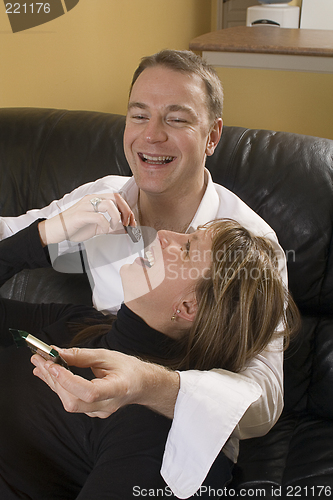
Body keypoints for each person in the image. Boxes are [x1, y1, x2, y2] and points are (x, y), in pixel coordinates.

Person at [0, 49, 289, 498]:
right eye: (139, 116)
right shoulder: (104, 197)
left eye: (176, 119)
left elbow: (263, 398)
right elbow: (11, 239)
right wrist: (48, 232)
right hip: (86, 359)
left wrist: (145, 384)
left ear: (212, 136)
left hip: (157, 419)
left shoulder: (251, 245)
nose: (151, 136)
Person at [0, 215, 299, 499]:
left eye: (186, 248)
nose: (164, 235)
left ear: (188, 308)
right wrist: (43, 236)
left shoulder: (155, 436)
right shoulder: (82, 322)